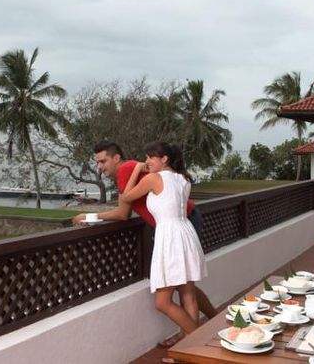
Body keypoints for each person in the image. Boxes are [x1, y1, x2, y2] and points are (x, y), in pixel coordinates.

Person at [72, 141, 216, 341]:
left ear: (116, 158)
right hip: (185, 227)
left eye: (103, 161)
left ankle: (196, 339)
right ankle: (197, 335)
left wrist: (88, 216)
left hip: (173, 233)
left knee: (170, 295)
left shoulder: (130, 170)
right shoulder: (180, 178)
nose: (99, 167)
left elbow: (123, 211)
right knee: (186, 288)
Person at [122, 141, 206, 336]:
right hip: (186, 234)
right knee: (188, 296)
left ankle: (198, 341)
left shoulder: (153, 178)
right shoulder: (183, 179)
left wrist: (136, 170)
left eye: (151, 157)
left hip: (170, 239)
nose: (147, 161)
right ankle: (190, 348)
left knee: (162, 302)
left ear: (164, 159)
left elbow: (126, 197)